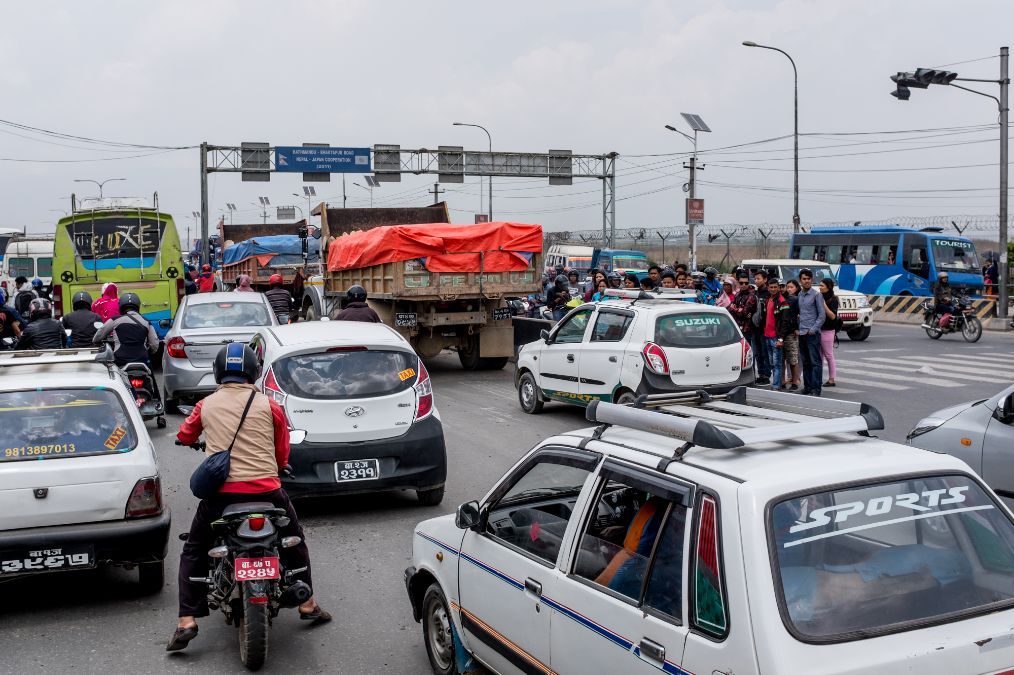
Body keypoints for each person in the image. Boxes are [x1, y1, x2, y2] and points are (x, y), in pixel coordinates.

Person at [167, 343, 330, 652]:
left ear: (218, 371)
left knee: (194, 550)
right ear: (254, 372)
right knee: (295, 539)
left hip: (221, 497)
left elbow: (185, 435)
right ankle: (307, 603)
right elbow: (282, 449)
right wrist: (279, 466)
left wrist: (196, 439)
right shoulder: (269, 405)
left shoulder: (206, 404)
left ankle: (187, 620)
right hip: (268, 492)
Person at [92, 293, 159, 368]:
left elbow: (100, 333)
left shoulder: (115, 320)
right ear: (138, 306)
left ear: (121, 306)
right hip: (142, 359)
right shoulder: (146, 322)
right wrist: (149, 352)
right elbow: (154, 343)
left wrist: (95, 341)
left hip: (120, 359)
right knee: (151, 375)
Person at [797, 269, 827, 397]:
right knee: (806, 362)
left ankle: (816, 389)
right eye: (804, 279)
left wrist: (813, 329)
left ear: (812, 280)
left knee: (815, 362)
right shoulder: (799, 295)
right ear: (800, 280)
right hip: (802, 333)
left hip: (812, 334)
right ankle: (808, 387)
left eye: (809, 278)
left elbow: (822, 315)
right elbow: (800, 314)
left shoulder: (816, 295)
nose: (807, 281)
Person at [759, 278, 792, 389]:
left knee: (777, 363)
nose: (773, 289)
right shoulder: (768, 300)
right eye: (771, 287)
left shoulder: (783, 302)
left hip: (776, 338)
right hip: (767, 336)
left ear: (778, 288)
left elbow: (785, 322)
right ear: (768, 288)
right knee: (772, 363)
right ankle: (776, 383)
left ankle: (776, 386)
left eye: (775, 287)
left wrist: (781, 339)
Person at [751, 269, 772, 385]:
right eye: (755, 279)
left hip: (765, 329)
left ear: (765, 279)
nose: (756, 281)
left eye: (759, 279)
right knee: (757, 353)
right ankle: (761, 374)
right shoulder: (755, 293)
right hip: (755, 328)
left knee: (765, 353)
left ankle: (766, 375)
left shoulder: (768, 294)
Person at [781, 280, 802, 391]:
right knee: (780, 360)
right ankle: (782, 382)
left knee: (793, 360)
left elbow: (800, 314)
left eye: (789, 287)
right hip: (779, 333)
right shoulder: (777, 299)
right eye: (786, 286)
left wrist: (797, 328)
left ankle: (795, 382)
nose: (787, 289)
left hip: (791, 333)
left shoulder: (794, 299)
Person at [819, 278, 839, 388]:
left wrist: (823, 304)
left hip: (828, 330)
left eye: (822, 285)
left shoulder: (834, 299)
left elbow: (832, 316)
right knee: (819, 356)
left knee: (829, 355)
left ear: (828, 287)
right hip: (818, 329)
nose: (820, 287)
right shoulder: (819, 296)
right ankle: (818, 377)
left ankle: (832, 379)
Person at [727, 274, 757, 346]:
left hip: (747, 329)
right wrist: (737, 310)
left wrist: (734, 308)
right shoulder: (737, 294)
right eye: (741, 283)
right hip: (737, 328)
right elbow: (728, 309)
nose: (744, 285)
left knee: (747, 352)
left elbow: (744, 313)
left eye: (746, 283)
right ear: (738, 283)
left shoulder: (751, 296)